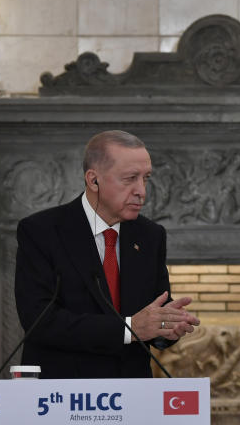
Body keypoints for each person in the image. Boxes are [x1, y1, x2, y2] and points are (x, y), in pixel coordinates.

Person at [15, 130, 200, 378]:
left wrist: (166, 327)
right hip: (62, 394)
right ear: (94, 181)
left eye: (145, 178)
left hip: (130, 394)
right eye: (130, 178)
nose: (141, 191)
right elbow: (39, 321)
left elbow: (153, 312)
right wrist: (130, 328)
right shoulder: (42, 231)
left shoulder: (150, 235)